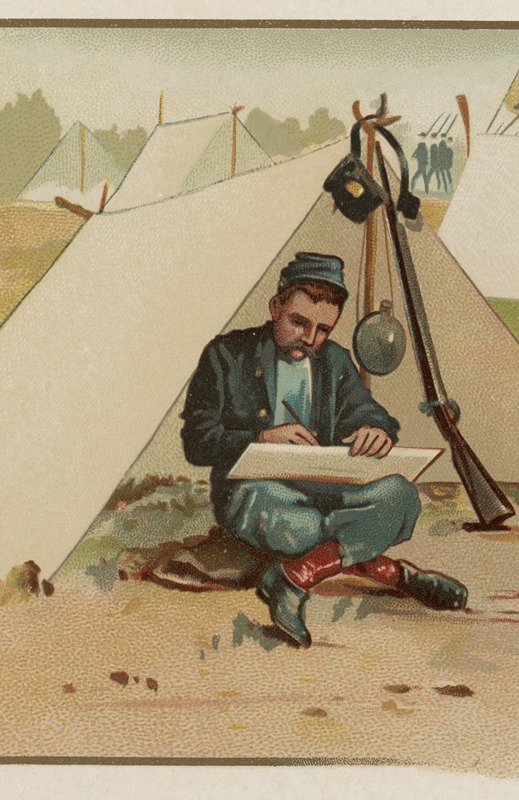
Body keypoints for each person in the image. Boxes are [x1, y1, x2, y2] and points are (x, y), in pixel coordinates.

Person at [180, 253, 467, 648]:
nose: (310, 339)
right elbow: (196, 441)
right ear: (276, 306)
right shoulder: (227, 354)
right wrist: (262, 438)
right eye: (299, 322)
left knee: (400, 498)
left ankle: (293, 577)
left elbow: (370, 414)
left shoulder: (335, 361)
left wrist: (376, 431)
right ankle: (397, 575)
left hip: (329, 494)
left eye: (323, 330)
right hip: (258, 492)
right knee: (298, 525)